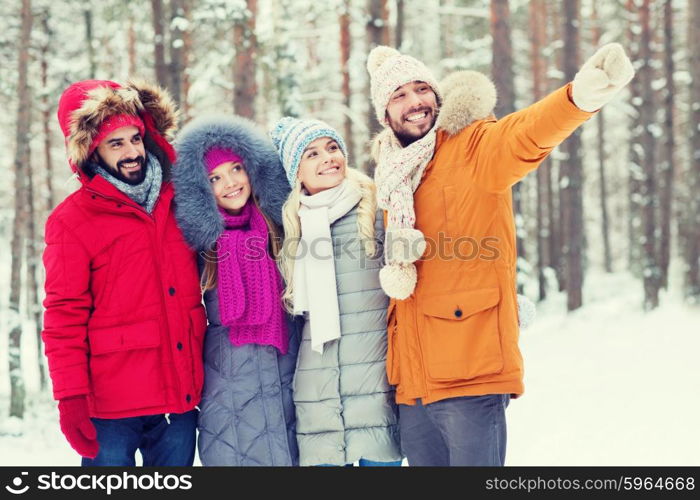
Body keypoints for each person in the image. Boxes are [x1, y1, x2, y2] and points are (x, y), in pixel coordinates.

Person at [366, 43, 635, 466]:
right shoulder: (392, 175)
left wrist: (579, 97)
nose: (415, 102)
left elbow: (525, 134)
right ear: (385, 114)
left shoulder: (471, 146)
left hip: (470, 375)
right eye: (399, 95)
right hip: (413, 386)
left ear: (437, 96)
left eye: (421, 89)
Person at [42, 79, 206, 466]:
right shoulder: (71, 221)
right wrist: (70, 397)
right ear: (91, 151)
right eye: (116, 143)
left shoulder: (179, 201)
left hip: (179, 400)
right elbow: (63, 315)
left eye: (135, 138)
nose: (132, 152)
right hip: (111, 410)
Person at [270, 117, 403, 467]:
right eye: (312, 154)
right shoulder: (290, 230)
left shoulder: (377, 210)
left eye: (332, 148)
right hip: (318, 401)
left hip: (377, 391)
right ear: (296, 171)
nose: (327, 158)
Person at [172, 114, 300, 466]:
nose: (229, 182)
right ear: (200, 186)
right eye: (214, 177)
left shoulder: (284, 227)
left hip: (286, 378)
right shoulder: (198, 243)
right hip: (227, 394)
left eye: (236, 169)